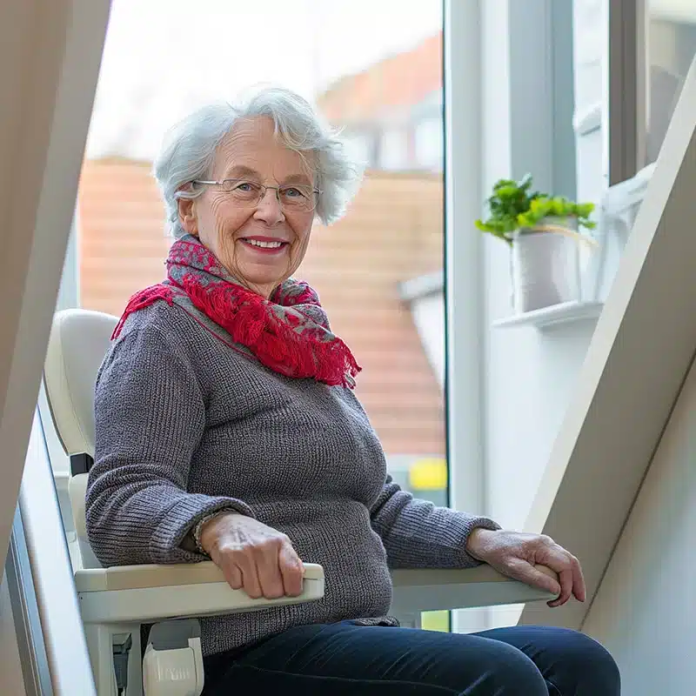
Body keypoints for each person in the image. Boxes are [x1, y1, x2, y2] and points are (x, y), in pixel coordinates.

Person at [86, 86, 620, 695]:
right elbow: (120, 498)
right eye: (243, 186)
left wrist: (482, 538)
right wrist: (216, 525)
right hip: (243, 650)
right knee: (499, 677)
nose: (271, 210)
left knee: (576, 660)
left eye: (293, 191)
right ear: (189, 207)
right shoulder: (165, 329)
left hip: (353, 632)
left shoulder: (303, 340)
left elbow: (377, 509)